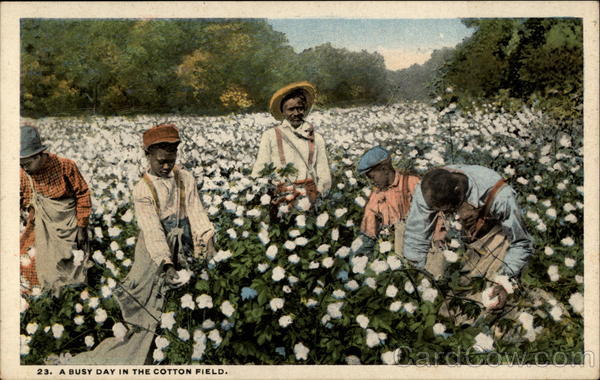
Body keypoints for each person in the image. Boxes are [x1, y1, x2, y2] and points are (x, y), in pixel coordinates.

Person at [68, 123, 215, 364]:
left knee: (181, 297)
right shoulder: (142, 189)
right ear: (147, 156)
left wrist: (208, 238)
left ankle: (173, 346)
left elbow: (196, 210)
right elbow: (152, 230)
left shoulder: (185, 178)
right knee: (147, 301)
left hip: (183, 242)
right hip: (152, 251)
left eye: (171, 159)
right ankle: (142, 353)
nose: (167, 166)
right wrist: (166, 263)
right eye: (160, 161)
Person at [403, 165, 533, 312]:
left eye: (452, 209)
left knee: (487, 299)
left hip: (495, 238)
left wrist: (504, 280)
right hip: (462, 240)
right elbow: (416, 236)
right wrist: (414, 277)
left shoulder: (501, 196)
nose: (456, 215)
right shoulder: (429, 190)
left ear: (460, 192)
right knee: (448, 294)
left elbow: (521, 242)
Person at [19, 124, 92, 294]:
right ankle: (43, 301)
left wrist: (82, 227)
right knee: (28, 261)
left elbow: (82, 194)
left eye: (27, 164)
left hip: (69, 228)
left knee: (70, 266)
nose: (25, 169)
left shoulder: (65, 166)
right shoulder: (23, 175)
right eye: (21, 165)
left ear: (39, 155)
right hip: (38, 227)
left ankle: (69, 297)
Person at [251, 81, 332, 205]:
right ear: (283, 111)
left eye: (300, 108)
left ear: (305, 109)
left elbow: (323, 173)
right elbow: (259, 170)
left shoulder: (316, 138)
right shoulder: (270, 136)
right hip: (280, 196)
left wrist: (318, 194)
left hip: (309, 197)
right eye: (291, 109)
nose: (296, 113)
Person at [355, 146, 421, 255]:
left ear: (385, 170)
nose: (372, 182)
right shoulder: (376, 195)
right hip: (393, 251)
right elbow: (369, 231)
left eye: (372, 177)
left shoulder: (412, 183)